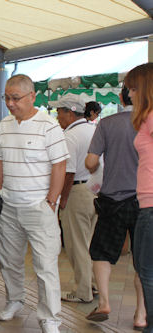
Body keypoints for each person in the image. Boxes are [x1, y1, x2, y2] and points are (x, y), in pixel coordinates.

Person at [0, 74, 69, 333]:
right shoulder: (4, 125)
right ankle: (14, 300)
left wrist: (51, 201)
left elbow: (60, 164)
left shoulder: (49, 126)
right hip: (9, 207)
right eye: (7, 98)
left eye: (16, 98)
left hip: (39, 207)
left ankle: (50, 318)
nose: (11, 103)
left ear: (32, 97)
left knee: (45, 265)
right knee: (9, 260)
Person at [84, 85, 146, 329]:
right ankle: (141, 314)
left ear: (121, 98)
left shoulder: (107, 123)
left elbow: (90, 161)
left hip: (113, 201)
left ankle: (105, 303)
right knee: (142, 260)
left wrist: (95, 168)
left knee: (101, 253)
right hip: (145, 201)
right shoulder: (148, 122)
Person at [50, 93, 97, 304]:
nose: (57, 116)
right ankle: (94, 284)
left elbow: (67, 172)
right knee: (90, 243)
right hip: (96, 192)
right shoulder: (94, 129)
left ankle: (83, 291)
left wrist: (63, 200)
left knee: (76, 245)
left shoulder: (70, 136)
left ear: (70, 112)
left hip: (77, 193)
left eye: (59, 112)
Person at [127, 63, 153, 332]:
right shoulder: (146, 119)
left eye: (133, 89)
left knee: (146, 271)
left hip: (151, 207)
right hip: (146, 204)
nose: (130, 95)